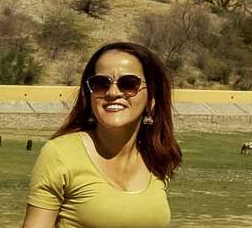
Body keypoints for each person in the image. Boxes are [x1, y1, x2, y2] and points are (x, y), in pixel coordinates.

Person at [22, 42, 182, 228]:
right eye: (100, 84)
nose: (113, 93)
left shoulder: (158, 158)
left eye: (129, 84)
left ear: (152, 99)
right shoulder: (61, 155)